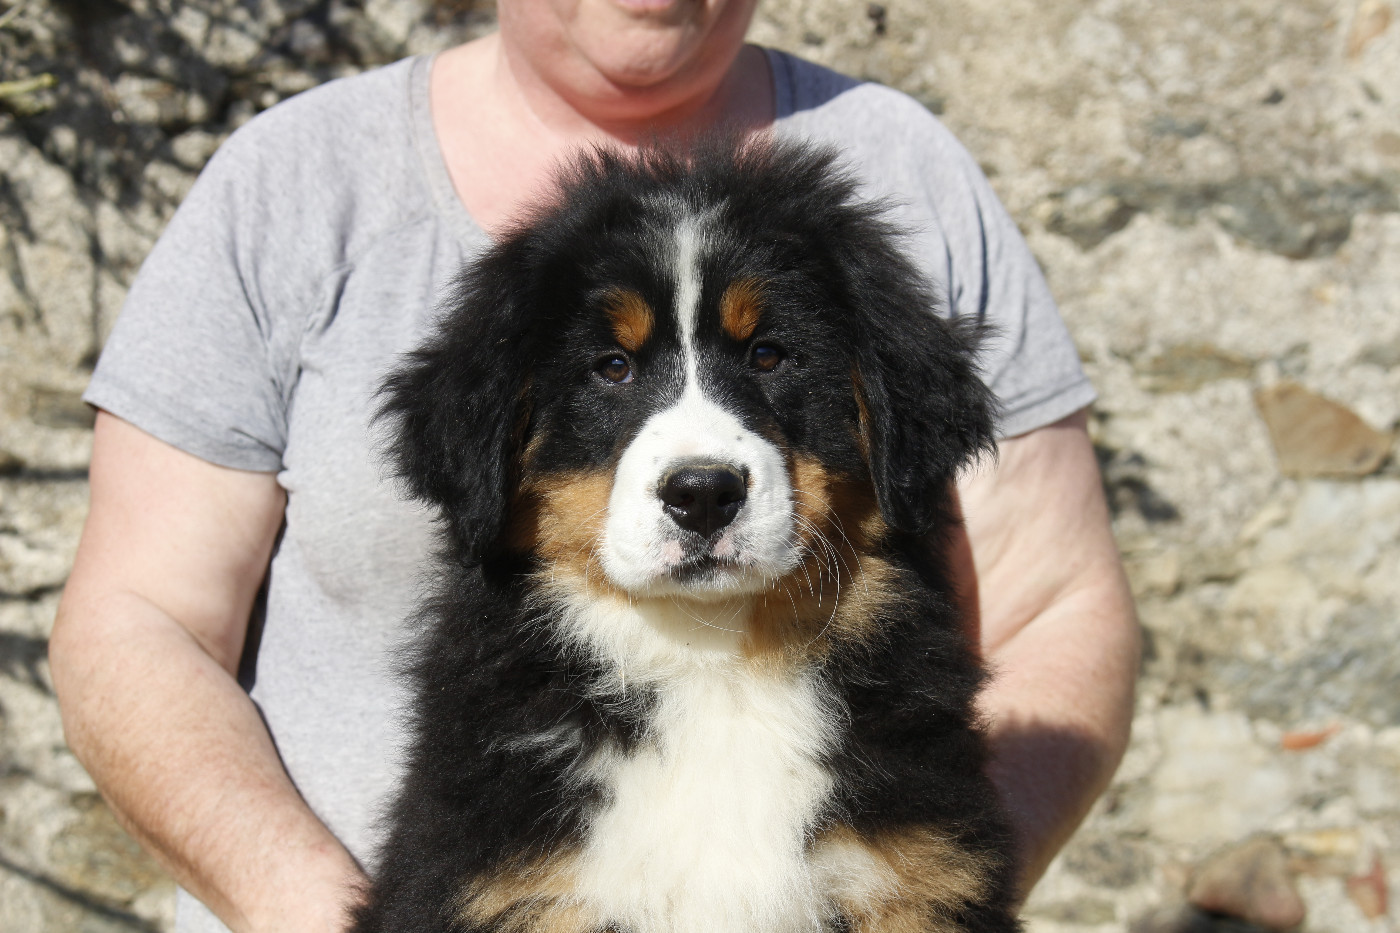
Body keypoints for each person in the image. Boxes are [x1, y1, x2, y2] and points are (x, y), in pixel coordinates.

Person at [49, 0, 1141, 930]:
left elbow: (1057, 601)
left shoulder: (897, 168)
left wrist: (931, 891)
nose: (700, 457)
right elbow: (136, 618)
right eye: (611, 370)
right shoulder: (293, 182)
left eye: (769, 356)